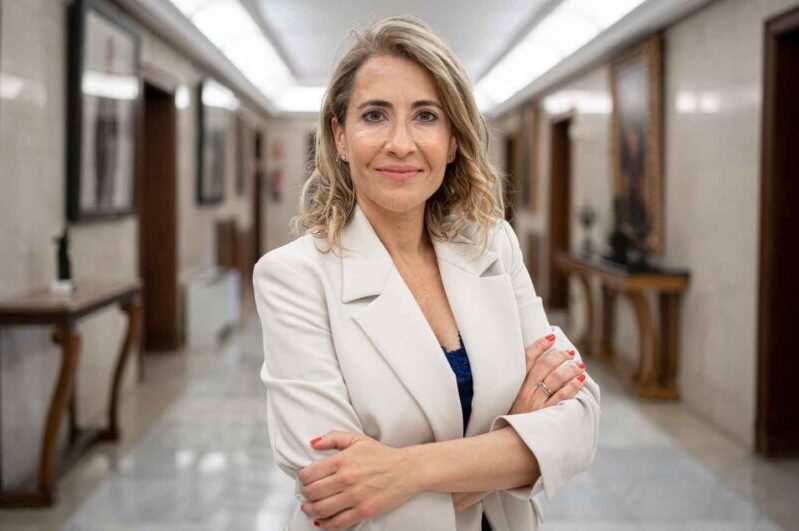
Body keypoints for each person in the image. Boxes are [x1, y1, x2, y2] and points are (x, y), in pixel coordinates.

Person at [253, 15, 600, 531]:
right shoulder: (293, 277)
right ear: (340, 136)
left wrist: (403, 471)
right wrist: (518, 442)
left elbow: (578, 420)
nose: (400, 143)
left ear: (453, 140)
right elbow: (336, 493)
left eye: (426, 116)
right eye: (374, 115)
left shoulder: (492, 246)